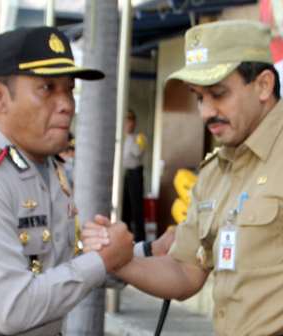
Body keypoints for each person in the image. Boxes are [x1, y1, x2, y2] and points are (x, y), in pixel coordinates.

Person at [0, 26, 134, 336]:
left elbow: (60, 266)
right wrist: (102, 261)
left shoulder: (48, 169)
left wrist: (136, 251)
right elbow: (14, 309)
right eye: (47, 88)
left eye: (69, 88)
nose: (67, 104)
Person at [81, 20, 283, 336]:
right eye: (199, 97)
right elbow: (186, 271)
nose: (205, 112)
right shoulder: (214, 172)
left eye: (218, 94)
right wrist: (120, 261)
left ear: (263, 85)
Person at [122, 109, 147, 240]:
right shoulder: (120, 137)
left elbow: (137, 152)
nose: (127, 123)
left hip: (135, 175)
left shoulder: (139, 137)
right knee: (123, 208)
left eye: (130, 120)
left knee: (137, 209)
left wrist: (129, 136)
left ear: (134, 122)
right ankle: (124, 237)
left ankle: (140, 239)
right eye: (126, 120)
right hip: (123, 176)